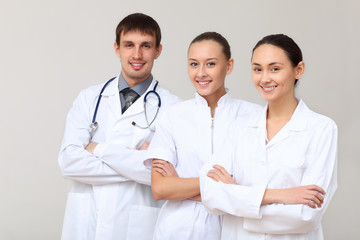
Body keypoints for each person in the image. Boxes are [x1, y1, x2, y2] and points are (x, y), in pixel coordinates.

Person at [200, 34, 338, 239]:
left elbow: (307, 215)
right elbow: (210, 195)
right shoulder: (240, 126)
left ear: (298, 70)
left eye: (275, 68)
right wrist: (277, 196)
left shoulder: (321, 129)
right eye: (257, 69)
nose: (264, 78)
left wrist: (237, 200)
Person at [58, 13, 180, 240]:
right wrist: (137, 161)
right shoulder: (89, 99)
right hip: (86, 225)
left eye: (146, 46)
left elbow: (166, 177)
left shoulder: (174, 109)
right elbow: (68, 163)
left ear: (158, 51)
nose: (137, 54)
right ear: (117, 49)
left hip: (138, 229)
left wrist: (98, 149)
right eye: (129, 45)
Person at [145, 32, 262, 240]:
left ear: (229, 65)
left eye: (210, 64)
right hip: (177, 230)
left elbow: (256, 189)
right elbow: (161, 188)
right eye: (193, 64)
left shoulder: (254, 116)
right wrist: (227, 189)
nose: (200, 73)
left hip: (233, 230)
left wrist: (180, 184)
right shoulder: (173, 116)